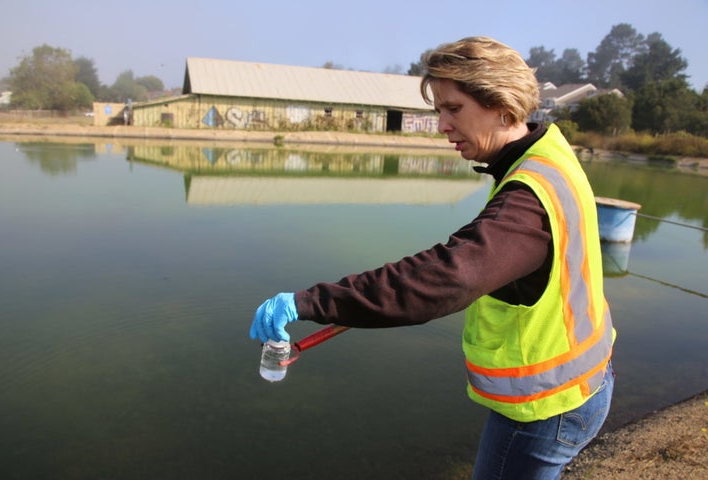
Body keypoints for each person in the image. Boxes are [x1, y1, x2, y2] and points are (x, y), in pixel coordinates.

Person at [250, 36, 615, 480]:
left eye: (454, 109)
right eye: (438, 110)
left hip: (546, 407)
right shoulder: (548, 156)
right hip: (584, 382)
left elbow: (445, 278)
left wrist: (308, 303)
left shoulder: (526, 201)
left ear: (502, 104)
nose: (441, 124)